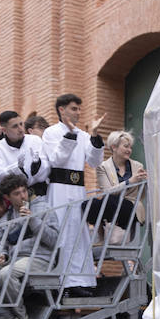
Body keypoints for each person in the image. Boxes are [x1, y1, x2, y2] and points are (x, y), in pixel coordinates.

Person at [0, 174, 61, 319]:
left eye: (24, 191)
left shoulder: (43, 208)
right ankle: (4, 318)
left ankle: (21, 316)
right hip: (13, 261)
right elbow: (1, 244)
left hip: (40, 259)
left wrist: (33, 220)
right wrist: (2, 255)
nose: (22, 196)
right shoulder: (5, 218)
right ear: (7, 197)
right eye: (17, 194)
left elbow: (54, 240)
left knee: (7, 273)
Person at [43, 93, 105, 298]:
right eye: (73, 109)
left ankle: (81, 280)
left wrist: (95, 136)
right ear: (62, 110)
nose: (78, 113)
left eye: (79, 109)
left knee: (78, 234)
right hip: (59, 189)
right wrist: (69, 136)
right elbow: (57, 159)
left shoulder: (84, 135)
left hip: (78, 189)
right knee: (62, 233)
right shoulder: (51, 133)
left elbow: (94, 162)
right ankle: (62, 281)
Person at [93, 130, 147, 242]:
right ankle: (102, 235)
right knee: (88, 204)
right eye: (126, 146)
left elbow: (142, 194)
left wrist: (146, 181)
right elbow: (107, 191)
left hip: (131, 206)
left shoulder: (138, 166)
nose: (129, 150)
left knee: (108, 200)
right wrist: (129, 182)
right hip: (111, 204)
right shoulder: (102, 167)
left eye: (130, 147)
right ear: (114, 147)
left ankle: (106, 231)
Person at [0, 110, 50, 193]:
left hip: (39, 193)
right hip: (13, 197)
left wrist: (37, 165)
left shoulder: (35, 140)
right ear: (4, 130)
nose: (21, 129)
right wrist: (17, 168)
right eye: (15, 126)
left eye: (21, 124)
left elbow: (46, 171)